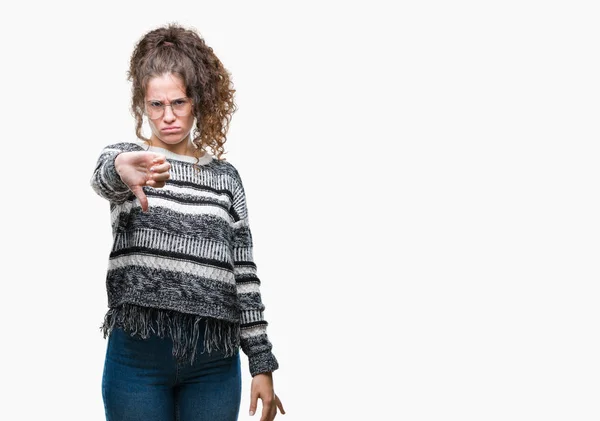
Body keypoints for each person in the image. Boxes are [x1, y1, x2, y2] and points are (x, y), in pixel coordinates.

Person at [90, 23, 285, 421]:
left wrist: (261, 362)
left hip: (213, 363)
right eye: (156, 105)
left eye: (178, 102)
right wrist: (119, 168)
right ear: (142, 104)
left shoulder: (225, 178)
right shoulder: (131, 159)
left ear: (198, 100)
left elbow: (244, 274)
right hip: (138, 358)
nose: (168, 117)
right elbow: (102, 175)